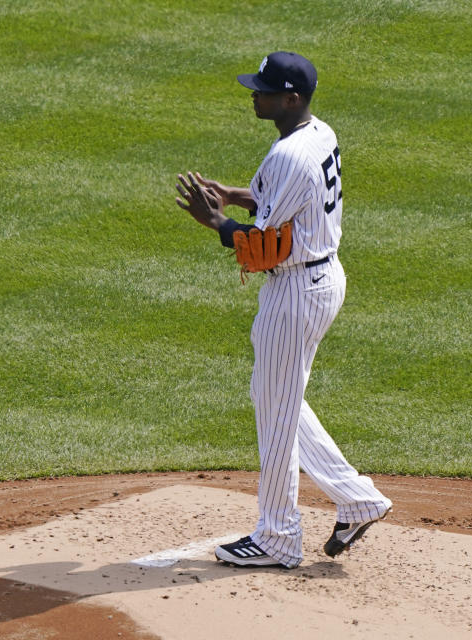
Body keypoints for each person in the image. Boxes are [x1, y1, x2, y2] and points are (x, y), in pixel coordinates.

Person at [174, 51, 392, 569]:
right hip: (319, 277)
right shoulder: (319, 134)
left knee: (275, 413)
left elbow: (263, 245)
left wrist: (216, 222)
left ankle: (276, 536)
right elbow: (284, 202)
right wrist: (233, 194)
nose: (255, 94)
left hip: (295, 289)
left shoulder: (289, 155)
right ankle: (356, 498)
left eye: (265, 90)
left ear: (290, 98)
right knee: (277, 397)